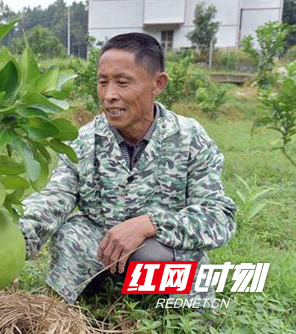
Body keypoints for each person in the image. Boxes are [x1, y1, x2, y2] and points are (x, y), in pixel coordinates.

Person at [19, 33, 236, 305]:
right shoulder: (86, 141)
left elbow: (218, 217)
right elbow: (53, 198)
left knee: (152, 255)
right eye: (102, 82)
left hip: (158, 259)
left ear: (158, 84)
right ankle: (92, 296)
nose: (109, 95)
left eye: (122, 83)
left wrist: (149, 224)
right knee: (73, 232)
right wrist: (13, 240)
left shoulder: (189, 137)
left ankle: (164, 305)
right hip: (104, 257)